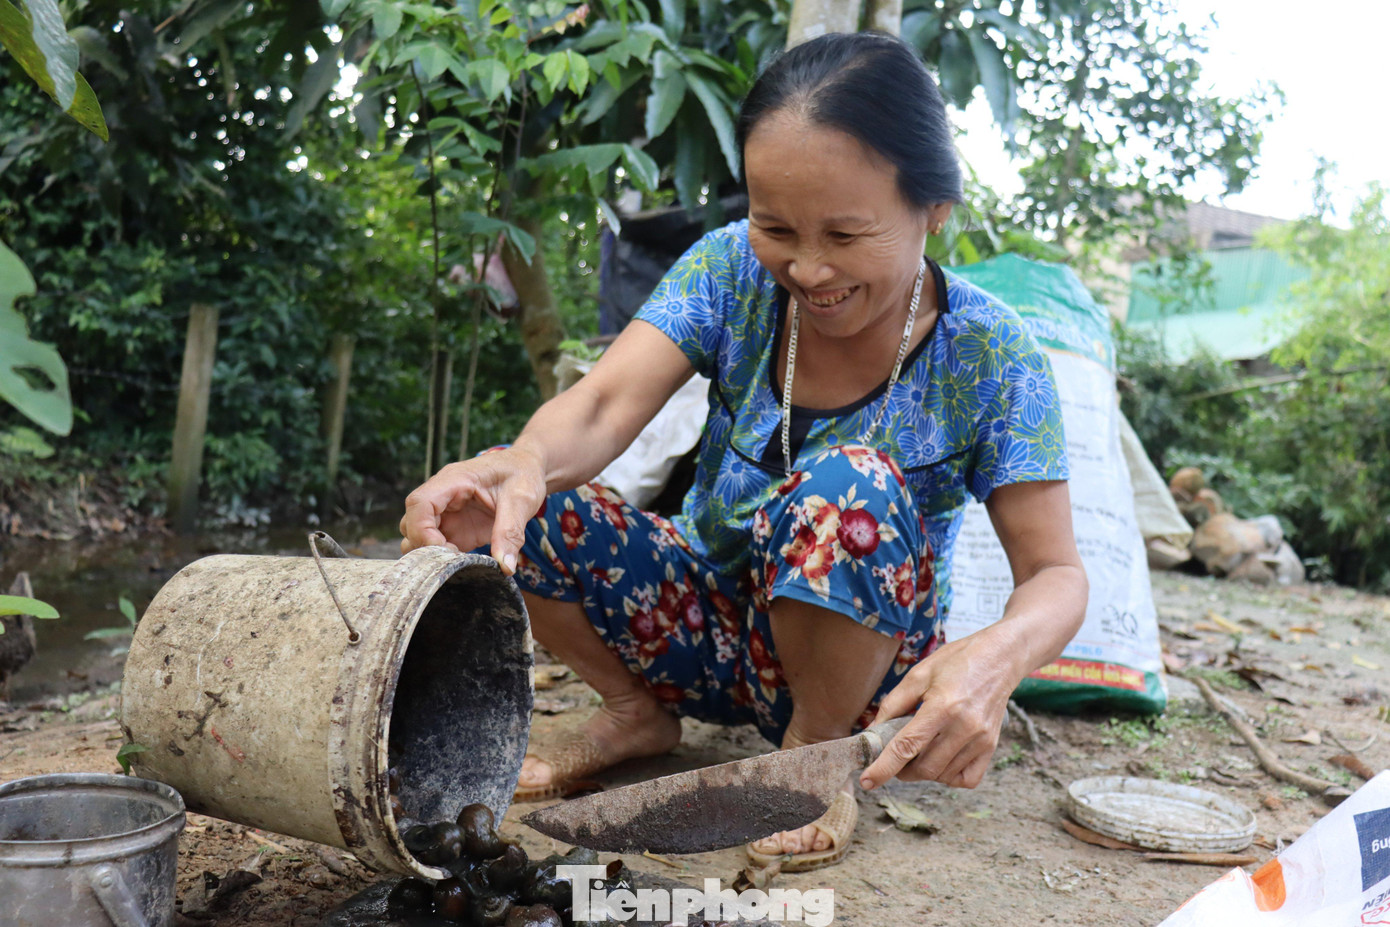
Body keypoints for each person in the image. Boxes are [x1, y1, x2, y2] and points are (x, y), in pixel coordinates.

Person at [400, 31, 1088, 872]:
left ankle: (813, 751)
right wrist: (527, 457)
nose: (806, 267)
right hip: (706, 621)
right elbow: (607, 401)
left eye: (844, 233)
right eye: (776, 225)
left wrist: (998, 657)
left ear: (933, 208)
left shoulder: (992, 351)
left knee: (851, 490)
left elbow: (1057, 575)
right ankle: (633, 709)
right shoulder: (729, 270)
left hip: (868, 667)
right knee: (516, 508)